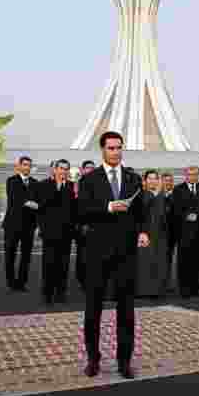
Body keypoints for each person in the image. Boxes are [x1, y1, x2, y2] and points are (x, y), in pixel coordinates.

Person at [78, 131, 147, 379]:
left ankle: (124, 361)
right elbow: (82, 212)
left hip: (126, 253)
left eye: (119, 148)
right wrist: (108, 207)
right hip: (97, 253)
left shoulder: (133, 178)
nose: (116, 152)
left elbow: (141, 212)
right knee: (93, 308)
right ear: (102, 150)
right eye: (111, 148)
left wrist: (143, 231)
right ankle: (93, 360)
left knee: (127, 310)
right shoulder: (89, 180)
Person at [36, 159, 76, 304]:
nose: (63, 171)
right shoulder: (43, 185)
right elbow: (40, 209)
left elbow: (75, 210)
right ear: (55, 169)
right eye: (61, 168)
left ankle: (61, 294)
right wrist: (42, 228)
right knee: (48, 264)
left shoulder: (73, 187)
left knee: (63, 265)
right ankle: (47, 294)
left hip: (67, 233)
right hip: (49, 233)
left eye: (66, 169)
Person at [171, 166, 199, 297]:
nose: (192, 177)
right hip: (184, 233)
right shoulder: (178, 189)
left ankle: (197, 288)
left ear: (198, 175)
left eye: (195, 174)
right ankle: (184, 289)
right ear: (185, 175)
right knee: (184, 262)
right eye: (190, 174)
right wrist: (185, 215)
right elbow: (174, 210)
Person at [3, 156, 38, 292]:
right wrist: (29, 203)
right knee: (10, 255)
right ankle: (11, 283)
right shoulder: (11, 181)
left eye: (29, 165)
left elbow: (37, 200)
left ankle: (22, 283)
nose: (27, 167)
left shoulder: (35, 183)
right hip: (12, 224)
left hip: (29, 226)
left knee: (26, 256)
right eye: (24, 165)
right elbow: (15, 198)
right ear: (18, 166)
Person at [136, 170, 170, 298]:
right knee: (144, 263)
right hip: (146, 234)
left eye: (155, 178)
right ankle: (143, 291)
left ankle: (157, 291)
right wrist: (141, 232)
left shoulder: (162, 196)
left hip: (161, 235)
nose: (152, 181)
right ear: (145, 181)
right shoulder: (140, 196)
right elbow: (137, 217)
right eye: (149, 178)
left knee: (159, 263)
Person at [72, 160, 95, 292]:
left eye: (92, 168)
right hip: (81, 226)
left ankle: (90, 280)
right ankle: (81, 279)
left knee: (93, 256)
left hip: (95, 226)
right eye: (88, 168)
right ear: (82, 170)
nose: (90, 170)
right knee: (82, 255)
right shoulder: (76, 184)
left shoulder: (98, 183)